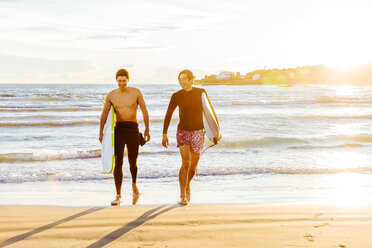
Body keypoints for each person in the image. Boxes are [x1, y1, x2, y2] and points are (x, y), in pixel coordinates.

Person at [99, 69, 150, 206]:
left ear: (128, 79)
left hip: (133, 128)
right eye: (119, 80)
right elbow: (104, 115)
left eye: (124, 80)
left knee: (133, 161)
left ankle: (134, 184)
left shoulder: (136, 92)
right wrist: (101, 133)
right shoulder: (111, 95)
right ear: (116, 80)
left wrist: (147, 129)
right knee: (118, 162)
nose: (122, 83)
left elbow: (144, 111)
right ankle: (118, 195)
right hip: (119, 129)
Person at [162, 69, 209, 205]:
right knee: (186, 162)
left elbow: (209, 112)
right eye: (179, 79)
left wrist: (215, 131)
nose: (181, 82)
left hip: (198, 132)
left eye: (183, 79)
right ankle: (183, 194)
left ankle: (187, 184)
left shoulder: (201, 92)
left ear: (191, 80)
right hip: (183, 131)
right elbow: (168, 114)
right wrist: (164, 133)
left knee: (193, 166)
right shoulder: (176, 95)